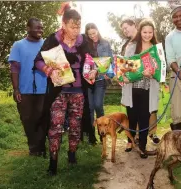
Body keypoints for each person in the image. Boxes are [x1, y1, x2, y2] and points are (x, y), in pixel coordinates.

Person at [34, 3, 94, 175]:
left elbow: (91, 61)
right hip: (58, 92)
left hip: (78, 92)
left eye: (78, 26)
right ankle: (53, 162)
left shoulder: (83, 42)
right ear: (64, 24)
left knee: (76, 126)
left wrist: (93, 70)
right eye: (72, 26)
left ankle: (72, 153)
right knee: (56, 126)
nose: (76, 30)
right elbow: (38, 60)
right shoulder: (53, 39)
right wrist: (49, 71)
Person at [120, 19, 160, 159]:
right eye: (144, 32)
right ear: (140, 31)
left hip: (148, 88)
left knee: (144, 118)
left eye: (150, 32)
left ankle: (142, 146)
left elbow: (160, 69)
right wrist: (125, 75)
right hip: (132, 88)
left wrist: (152, 73)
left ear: (153, 33)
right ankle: (130, 141)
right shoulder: (132, 46)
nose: (147, 35)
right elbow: (125, 65)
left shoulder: (156, 49)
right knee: (132, 117)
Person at [8, 18, 47, 158]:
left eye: (41, 28)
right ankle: (33, 148)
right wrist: (16, 89)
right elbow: (14, 68)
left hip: (44, 89)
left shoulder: (46, 44)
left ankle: (42, 147)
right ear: (28, 28)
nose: (40, 31)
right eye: (37, 28)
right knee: (28, 119)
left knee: (42, 118)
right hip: (24, 90)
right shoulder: (18, 45)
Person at [85, 23, 113, 145]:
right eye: (90, 34)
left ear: (98, 31)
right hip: (88, 80)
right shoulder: (85, 44)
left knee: (98, 106)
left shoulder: (105, 43)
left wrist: (107, 72)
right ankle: (92, 136)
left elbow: (110, 59)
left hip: (101, 79)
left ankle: (103, 132)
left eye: (94, 33)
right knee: (90, 108)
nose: (92, 36)